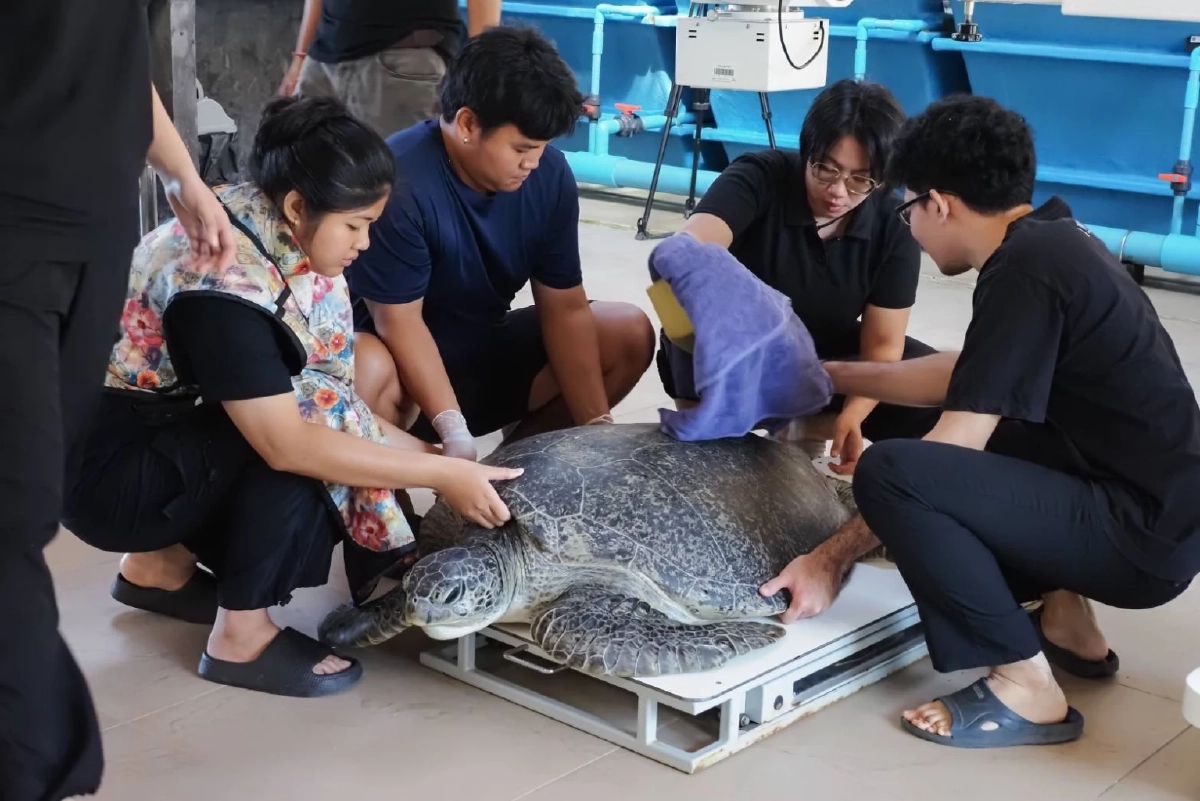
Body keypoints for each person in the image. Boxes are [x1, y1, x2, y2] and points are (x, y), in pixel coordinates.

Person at [768, 94, 1199, 748]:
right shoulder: (1053, 241)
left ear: (938, 204)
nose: (908, 225)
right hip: (1149, 510)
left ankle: (1025, 685)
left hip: (1138, 541)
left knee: (895, 472)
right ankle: (1064, 619)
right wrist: (833, 374)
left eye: (908, 207)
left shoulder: (1027, 270)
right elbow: (964, 371)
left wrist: (830, 557)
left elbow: (956, 443)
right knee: (910, 401)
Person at [62, 96, 524, 704]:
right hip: (102, 476)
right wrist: (437, 470)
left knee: (316, 410)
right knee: (308, 458)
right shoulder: (225, 285)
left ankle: (156, 570)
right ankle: (241, 638)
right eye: (355, 225)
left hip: (137, 431)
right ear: (300, 206)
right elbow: (292, 440)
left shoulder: (264, 221)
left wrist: (444, 458)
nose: (364, 242)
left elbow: (334, 395)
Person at [1, 2, 239, 798]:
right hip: (11, 223)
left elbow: (107, 58)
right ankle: (43, 766)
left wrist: (183, 174)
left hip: (95, 227)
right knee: (15, 513)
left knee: (34, 493)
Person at [347, 26, 656, 458]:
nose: (532, 162)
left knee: (626, 330)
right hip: (400, 378)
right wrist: (453, 431)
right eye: (521, 148)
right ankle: (401, 512)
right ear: (469, 124)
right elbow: (400, 324)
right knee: (364, 366)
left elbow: (564, 307)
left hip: (484, 354)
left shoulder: (549, 174)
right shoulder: (399, 182)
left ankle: (516, 476)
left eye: (542, 148)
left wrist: (594, 426)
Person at [656, 78, 940, 471]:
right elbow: (690, 250)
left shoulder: (892, 226)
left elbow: (883, 346)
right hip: (733, 352)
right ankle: (715, 430)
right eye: (826, 169)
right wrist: (760, 316)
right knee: (684, 302)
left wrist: (853, 415)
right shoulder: (760, 176)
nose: (839, 191)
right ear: (807, 152)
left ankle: (806, 427)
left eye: (861, 179)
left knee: (926, 378)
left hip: (820, 362)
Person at [281, 0, 502, 138]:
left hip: (402, 61)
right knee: (306, 192)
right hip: (323, 60)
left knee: (398, 197)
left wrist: (480, 69)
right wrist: (300, 58)